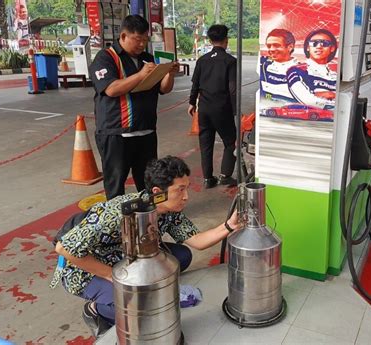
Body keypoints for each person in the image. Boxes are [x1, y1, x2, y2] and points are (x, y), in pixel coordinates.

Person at [50, 156, 241, 337]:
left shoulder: (168, 210)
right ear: (158, 192)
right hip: (84, 269)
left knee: (182, 256)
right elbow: (64, 249)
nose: (186, 197)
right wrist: (112, 276)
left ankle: (137, 287)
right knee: (137, 310)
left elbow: (197, 241)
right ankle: (95, 311)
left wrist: (228, 226)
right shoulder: (117, 213)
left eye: (187, 189)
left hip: (126, 258)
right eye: (180, 190)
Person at [90, 15, 180, 200]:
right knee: (115, 184)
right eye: (137, 40)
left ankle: (150, 219)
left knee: (150, 183)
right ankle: (117, 223)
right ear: (123, 36)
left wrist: (169, 74)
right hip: (116, 133)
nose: (141, 45)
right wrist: (140, 75)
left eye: (145, 40)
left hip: (146, 132)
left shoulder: (147, 59)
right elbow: (111, 89)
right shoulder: (105, 58)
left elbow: (163, 89)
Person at [188, 24, 237, 189]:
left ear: (210, 40)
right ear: (226, 40)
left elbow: (195, 84)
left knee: (206, 143)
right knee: (230, 142)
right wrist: (235, 109)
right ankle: (225, 176)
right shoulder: (230, 61)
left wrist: (191, 103)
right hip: (222, 108)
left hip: (204, 108)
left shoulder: (202, 60)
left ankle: (208, 179)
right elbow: (232, 88)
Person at [287, 29, 338, 110]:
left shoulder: (336, 76)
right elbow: (309, 101)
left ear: (332, 48)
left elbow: (345, 97)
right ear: (308, 47)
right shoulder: (296, 70)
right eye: (314, 43)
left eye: (325, 43)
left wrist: (330, 95)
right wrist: (334, 98)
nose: (319, 46)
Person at [260, 29, 297, 103]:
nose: (272, 49)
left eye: (276, 45)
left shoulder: (302, 70)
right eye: (269, 46)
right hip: (266, 111)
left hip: (293, 112)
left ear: (290, 47)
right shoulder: (263, 65)